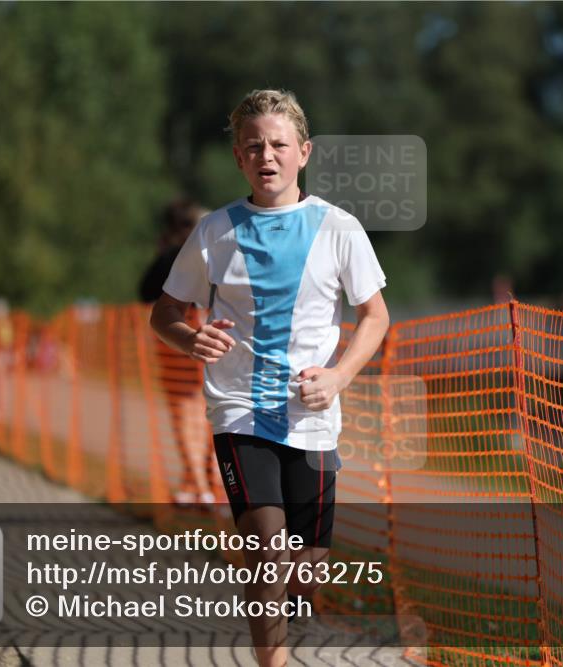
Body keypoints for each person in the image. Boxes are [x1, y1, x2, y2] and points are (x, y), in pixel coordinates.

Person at [150, 89, 389, 667]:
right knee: (266, 554)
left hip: (313, 418)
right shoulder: (214, 231)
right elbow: (163, 315)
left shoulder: (339, 227)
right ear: (238, 157)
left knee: (306, 576)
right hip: (238, 409)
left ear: (303, 152)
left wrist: (337, 378)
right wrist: (189, 338)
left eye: (279, 144)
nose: (268, 155)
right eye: (254, 145)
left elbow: (375, 317)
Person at [139, 198, 217, 508]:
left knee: (189, 413)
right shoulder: (206, 255)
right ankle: (197, 482)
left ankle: (200, 485)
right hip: (203, 340)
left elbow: (145, 291)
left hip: (182, 343)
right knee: (203, 413)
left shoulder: (174, 257)